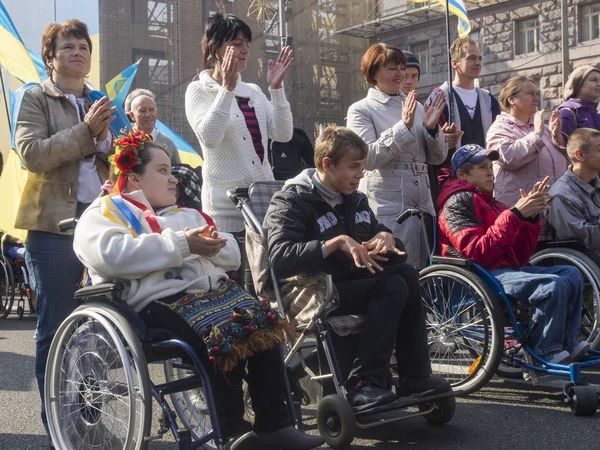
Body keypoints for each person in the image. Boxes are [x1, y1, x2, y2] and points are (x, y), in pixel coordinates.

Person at [72, 130, 324, 450]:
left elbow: (232, 253)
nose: (174, 179)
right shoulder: (105, 212)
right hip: (156, 302)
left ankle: (276, 426)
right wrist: (183, 244)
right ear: (134, 179)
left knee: (264, 323)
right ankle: (233, 431)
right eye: (162, 171)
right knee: (221, 333)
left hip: (212, 294)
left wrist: (211, 247)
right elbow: (109, 256)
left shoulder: (188, 214)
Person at [265, 126, 449, 409]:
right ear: (327, 163)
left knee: (407, 274)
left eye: (362, 166)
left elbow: (381, 239)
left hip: (351, 283)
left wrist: (388, 238)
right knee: (393, 285)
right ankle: (363, 381)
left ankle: (414, 377)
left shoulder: (356, 198)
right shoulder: (292, 200)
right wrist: (334, 243)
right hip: (312, 290)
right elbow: (279, 259)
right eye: (354, 167)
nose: (361, 174)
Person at [13, 19, 115, 438]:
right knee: (56, 326)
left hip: (105, 225)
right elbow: (32, 153)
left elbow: (128, 154)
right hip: (53, 229)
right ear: (50, 58)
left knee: (100, 325)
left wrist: (114, 144)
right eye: (68, 47)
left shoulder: (104, 101)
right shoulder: (36, 97)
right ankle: (57, 420)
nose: (78, 52)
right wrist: (87, 132)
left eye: (83, 47)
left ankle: (88, 413)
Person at [437, 144, 589, 364]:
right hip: (479, 274)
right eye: (482, 167)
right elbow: (478, 253)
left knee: (571, 274)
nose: (490, 172)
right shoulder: (457, 202)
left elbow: (520, 256)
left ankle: (566, 344)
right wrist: (516, 214)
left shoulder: (493, 203)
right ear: (461, 173)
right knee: (551, 285)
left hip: (503, 269)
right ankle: (544, 354)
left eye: (491, 166)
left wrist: (529, 217)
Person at [185, 13, 293, 289]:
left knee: (265, 288)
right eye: (236, 42)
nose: (245, 49)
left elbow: (283, 134)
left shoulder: (254, 91)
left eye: (247, 42)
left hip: (262, 203)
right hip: (226, 209)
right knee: (235, 289)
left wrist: (277, 89)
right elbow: (209, 137)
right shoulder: (198, 89)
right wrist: (226, 89)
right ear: (215, 48)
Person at [346, 43, 448, 268]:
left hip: (423, 199)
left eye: (401, 67)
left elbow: (437, 158)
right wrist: (403, 126)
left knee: (428, 266)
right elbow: (368, 157)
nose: (400, 73)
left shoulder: (418, 107)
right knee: (399, 266)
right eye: (392, 68)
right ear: (373, 73)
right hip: (389, 202)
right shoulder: (361, 109)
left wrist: (432, 130)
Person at [487, 75, 569, 208]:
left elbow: (565, 162)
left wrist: (557, 136)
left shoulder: (542, 127)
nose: (536, 99)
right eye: (530, 94)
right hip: (520, 211)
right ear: (511, 99)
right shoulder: (500, 128)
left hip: (552, 209)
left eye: (536, 94)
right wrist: (536, 135)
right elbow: (508, 158)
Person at [426, 37, 501, 183]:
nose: (478, 63)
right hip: (452, 179)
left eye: (479, 58)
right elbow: (429, 141)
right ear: (454, 63)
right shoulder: (439, 97)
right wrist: (443, 139)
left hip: (485, 178)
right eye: (471, 58)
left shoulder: (489, 100)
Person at [546, 128, 600, 254]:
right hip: (587, 263)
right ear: (579, 155)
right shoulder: (561, 196)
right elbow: (580, 241)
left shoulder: (595, 184)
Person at [125, 88, 181, 165]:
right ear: (132, 115)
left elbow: (177, 172)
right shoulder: (124, 140)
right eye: (142, 110)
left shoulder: (167, 143)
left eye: (151, 110)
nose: (148, 115)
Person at [558, 65, 600, 137]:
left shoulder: (594, 111)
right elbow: (562, 146)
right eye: (594, 80)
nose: (599, 84)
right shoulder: (566, 113)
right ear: (578, 84)